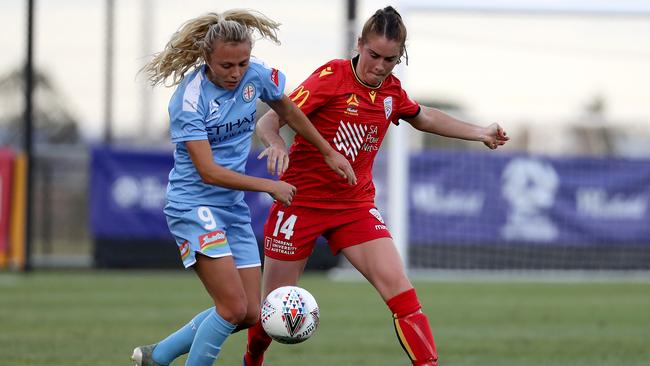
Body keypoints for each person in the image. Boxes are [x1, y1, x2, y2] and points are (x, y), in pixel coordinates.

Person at [243, 6, 509, 366]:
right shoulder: (331, 76)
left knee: (402, 294)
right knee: (271, 312)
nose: (381, 66)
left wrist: (480, 132)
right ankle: (251, 359)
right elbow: (271, 120)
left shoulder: (392, 92)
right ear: (359, 45)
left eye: (391, 59)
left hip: (354, 208)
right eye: (374, 55)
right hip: (299, 205)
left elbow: (424, 116)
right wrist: (275, 143)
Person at [131, 9, 355, 366]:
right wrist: (268, 185)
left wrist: (327, 151)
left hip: (231, 207)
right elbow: (207, 171)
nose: (236, 73)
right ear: (207, 59)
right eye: (226, 66)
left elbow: (290, 109)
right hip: (193, 205)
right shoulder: (189, 99)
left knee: (251, 312)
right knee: (232, 307)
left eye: (242, 63)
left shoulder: (257, 74)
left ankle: (159, 356)